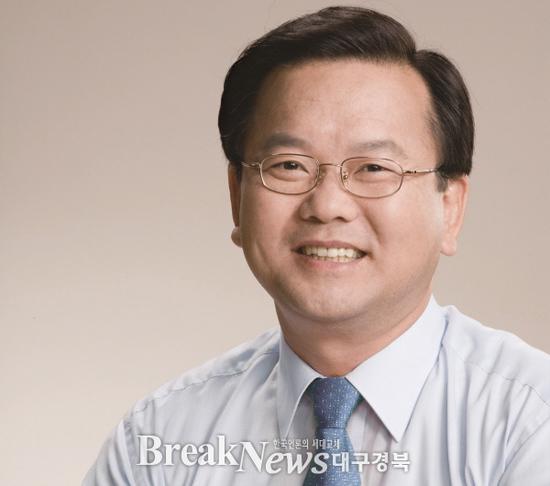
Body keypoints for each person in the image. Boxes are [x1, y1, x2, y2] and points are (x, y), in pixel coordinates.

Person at [84, 6, 550, 485]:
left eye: (374, 168)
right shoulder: (158, 440)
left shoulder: (531, 423)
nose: (327, 206)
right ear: (236, 197)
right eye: (289, 165)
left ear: (450, 207)